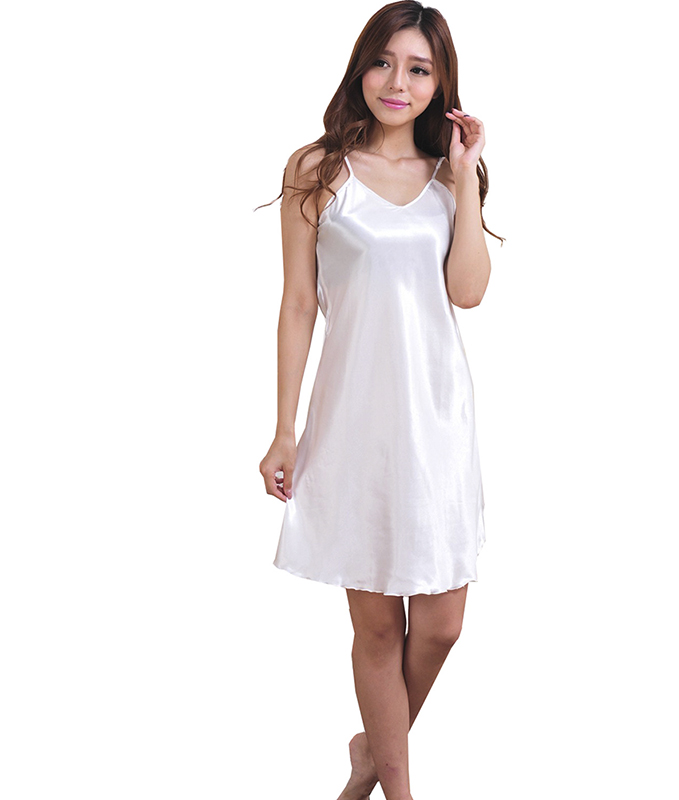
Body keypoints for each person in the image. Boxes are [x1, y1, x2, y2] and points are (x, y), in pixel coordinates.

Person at [258, 2, 502, 798]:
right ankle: (392, 791)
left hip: (438, 419)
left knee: (440, 626)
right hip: (354, 421)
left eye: (419, 69)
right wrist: (284, 429)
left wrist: (464, 179)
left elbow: (468, 292)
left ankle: (370, 756)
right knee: (376, 628)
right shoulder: (316, 169)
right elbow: (299, 303)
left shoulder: (450, 174)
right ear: (361, 67)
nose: (398, 82)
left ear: (440, 83)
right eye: (384, 62)